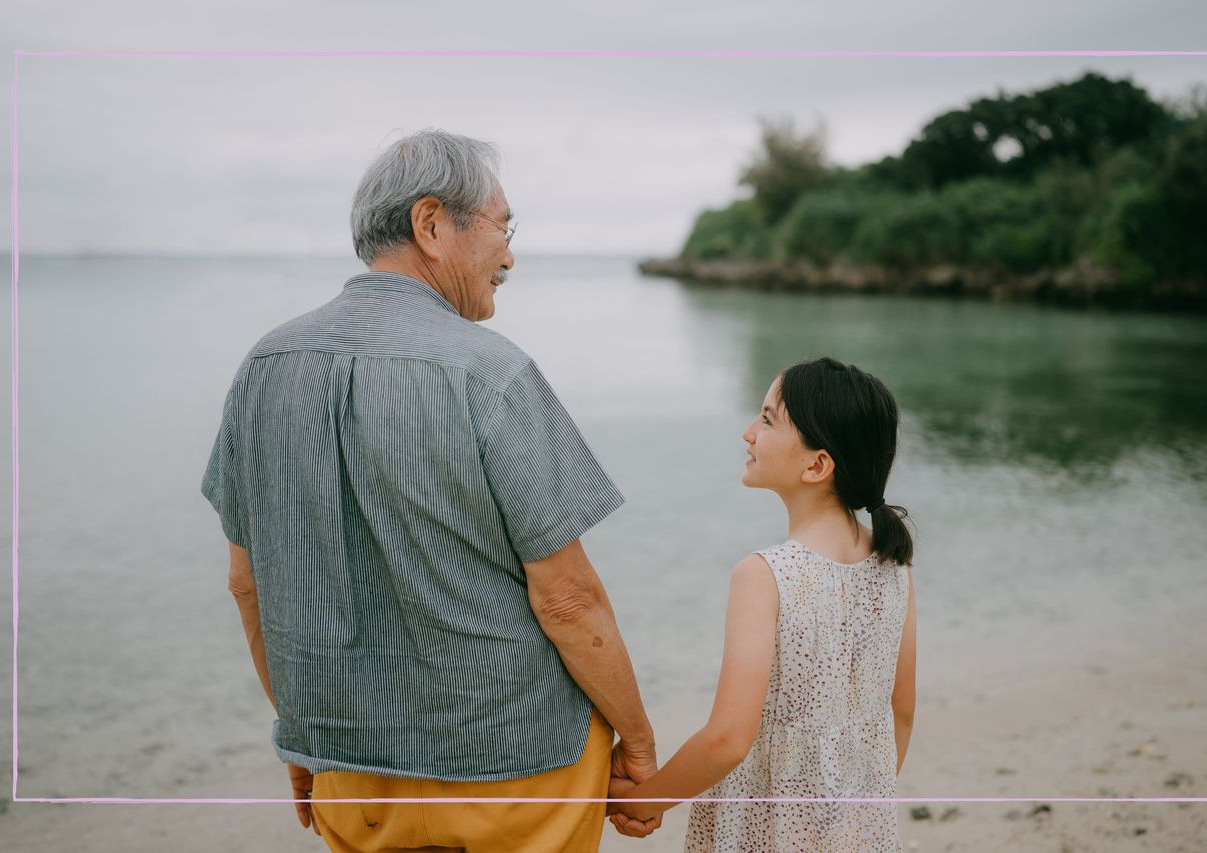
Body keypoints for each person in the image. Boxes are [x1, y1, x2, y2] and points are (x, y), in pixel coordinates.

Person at [202, 129, 659, 852]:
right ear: (431, 223)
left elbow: (247, 583)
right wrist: (637, 742)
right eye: (503, 227)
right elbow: (568, 599)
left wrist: (305, 737)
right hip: (519, 772)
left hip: (355, 779)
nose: (509, 255)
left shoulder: (265, 366)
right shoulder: (491, 372)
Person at [607, 357, 917, 852]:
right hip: (858, 831)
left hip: (767, 832)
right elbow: (900, 712)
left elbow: (727, 739)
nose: (749, 433)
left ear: (817, 465)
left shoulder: (765, 575)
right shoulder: (893, 564)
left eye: (769, 420)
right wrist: (857, 810)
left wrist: (645, 803)